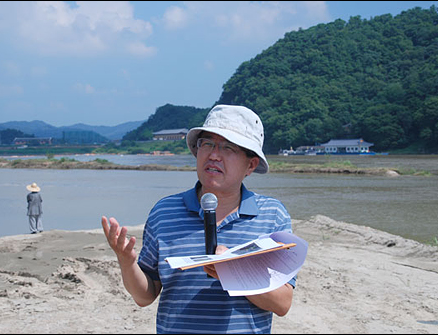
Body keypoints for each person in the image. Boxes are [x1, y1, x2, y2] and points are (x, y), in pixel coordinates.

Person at [102, 105, 295, 334]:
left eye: (228, 147)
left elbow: (282, 303)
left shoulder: (272, 216)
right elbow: (145, 296)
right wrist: (127, 263)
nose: (214, 154)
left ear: (250, 165)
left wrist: (236, 271)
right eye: (207, 144)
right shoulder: (164, 212)